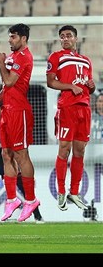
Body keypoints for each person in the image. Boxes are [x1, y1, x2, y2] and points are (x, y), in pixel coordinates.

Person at [0, 23, 40, 222]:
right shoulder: (12, 57)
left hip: (19, 111)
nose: (10, 40)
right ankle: (11, 199)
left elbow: (10, 81)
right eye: (10, 37)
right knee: (6, 153)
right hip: (7, 111)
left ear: (24, 38)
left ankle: (31, 199)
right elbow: (6, 86)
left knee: (21, 155)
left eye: (14, 37)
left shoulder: (24, 57)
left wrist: (0, 63)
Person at [46, 25, 96, 211]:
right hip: (67, 108)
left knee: (80, 151)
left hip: (84, 109)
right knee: (64, 148)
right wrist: (69, 87)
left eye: (68, 36)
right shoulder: (56, 57)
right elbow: (50, 82)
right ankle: (60, 191)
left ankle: (73, 192)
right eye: (62, 36)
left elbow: (88, 86)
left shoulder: (86, 60)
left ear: (76, 39)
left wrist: (90, 86)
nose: (65, 39)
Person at [0, 101, 44, 223]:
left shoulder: (10, 122)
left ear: (2, 110)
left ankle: (37, 214)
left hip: (2, 161)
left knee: (20, 179)